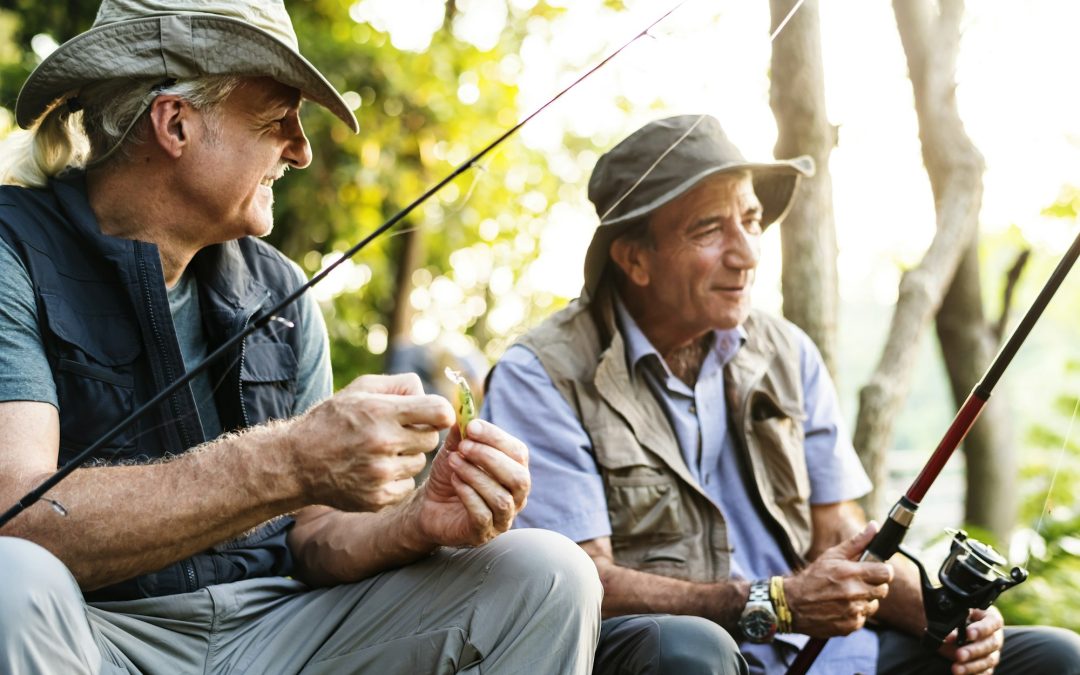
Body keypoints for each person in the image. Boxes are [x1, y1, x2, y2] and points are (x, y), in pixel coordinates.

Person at [0, 1, 601, 673]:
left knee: (549, 573)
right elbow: (14, 512)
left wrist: (416, 523)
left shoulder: (279, 290)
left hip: (276, 630)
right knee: (7, 576)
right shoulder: (11, 250)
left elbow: (311, 537)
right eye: (276, 117)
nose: (301, 146)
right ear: (175, 123)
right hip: (91, 630)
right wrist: (289, 458)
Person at [481, 114, 1080, 675]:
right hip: (691, 658)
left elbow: (838, 532)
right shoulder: (541, 376)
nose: (745, 253)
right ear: (635, 259)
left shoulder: (788, 352)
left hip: (832, 656)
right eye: (710, 229)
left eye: (750, 220)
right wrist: (775, 603)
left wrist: (942, 613)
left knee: (1053, 657)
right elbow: (579, 583)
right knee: (686, 649)